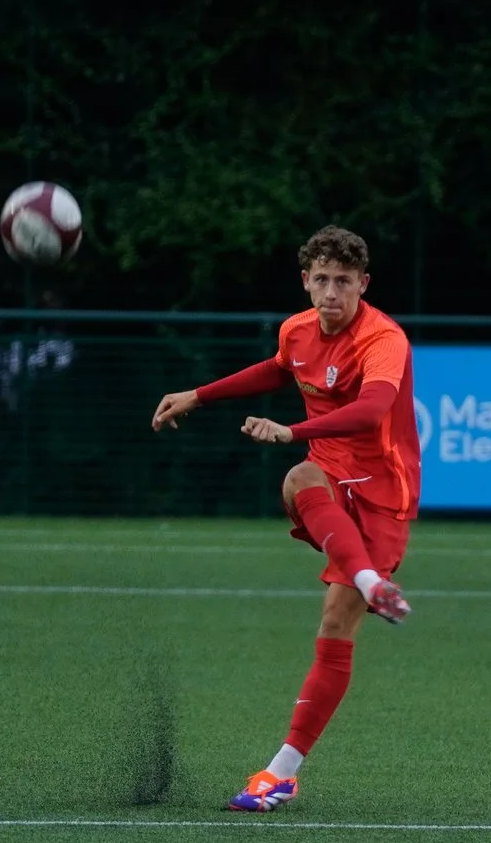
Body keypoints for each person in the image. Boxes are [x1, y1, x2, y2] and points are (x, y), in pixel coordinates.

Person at [152, 225, 419, 811]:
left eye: (343, 281)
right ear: (305, 281)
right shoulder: (296, 329)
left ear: (364, 284)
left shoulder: (384, 339)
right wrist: (198, 395)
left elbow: (372, 408)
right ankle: (371, 583)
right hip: (328, 470)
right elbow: (279, 368)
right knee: (300, 478)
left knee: (335, 625)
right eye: (321, 279)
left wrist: (290, 430)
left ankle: (283, 771)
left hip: (384, 490)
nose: (331, 292)